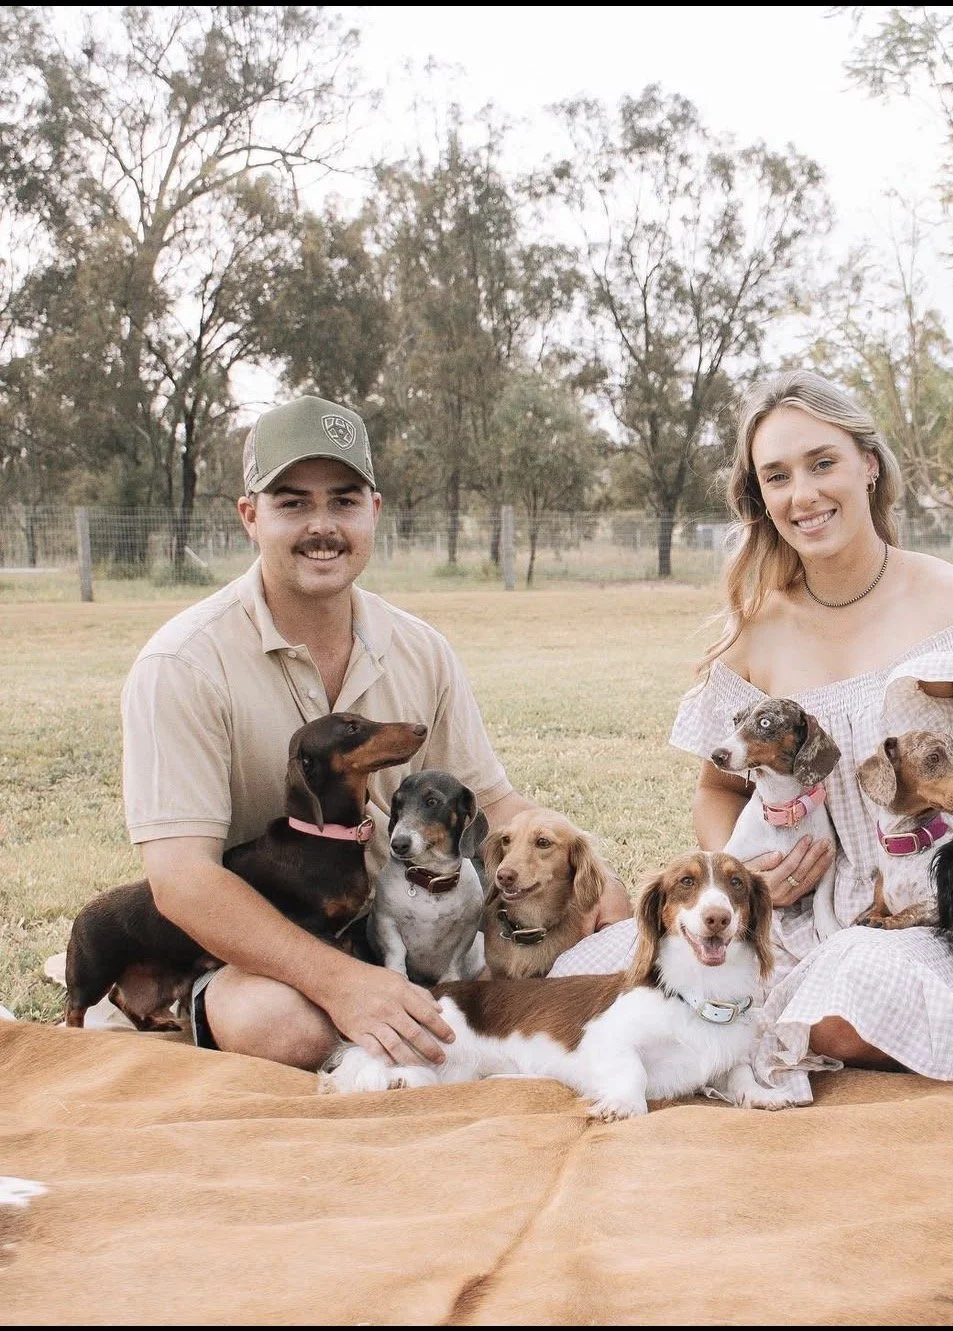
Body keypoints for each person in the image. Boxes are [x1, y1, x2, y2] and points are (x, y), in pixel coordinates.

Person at [550, 369, 953, 1100]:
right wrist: (746, 878)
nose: (802, 495)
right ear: (760, 497)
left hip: (943, 914)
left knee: (844, 1006)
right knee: (583, 972)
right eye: (776, 476)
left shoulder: (950, 601)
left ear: (868, 465)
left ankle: (837, 1026)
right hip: (803, 915)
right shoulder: (759, 630)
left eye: (822, 463)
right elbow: (717, 788)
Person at [120, 395, 630, 1071]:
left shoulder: (422, 649)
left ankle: (430, 1020)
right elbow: (182, 880)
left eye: (344, 500)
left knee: (610, 940)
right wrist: (342, 982)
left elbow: (495, 810)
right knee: (285, 1025)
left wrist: (596, 877)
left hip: (422, 920)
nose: (322, 525)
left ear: (375, 511)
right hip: (277, 943)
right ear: (250, 516)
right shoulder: (181, 663)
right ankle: (189, 999)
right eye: (294, 502)